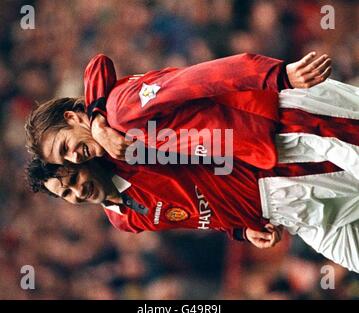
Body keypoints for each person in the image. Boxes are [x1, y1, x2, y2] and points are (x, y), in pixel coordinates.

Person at [27, 155, 359, 273]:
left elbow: (99, 68)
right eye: (66, 194)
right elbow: (198, 215)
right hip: (281, 217)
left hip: (275, 182)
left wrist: (96, 118)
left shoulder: (129, 153)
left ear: (82, 160)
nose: (77, 192)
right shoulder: (122, 220)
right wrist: (241, 232)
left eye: (72, 179)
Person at [25, 52, 335, 170]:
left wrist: (277, 76)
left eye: (64, 146)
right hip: (274, 140)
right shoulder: (121, 140)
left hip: (282, 114)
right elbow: (98, 65)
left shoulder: (121, 111)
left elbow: (199, 79)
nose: (73, 157)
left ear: (71, 118)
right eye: (63, 159)